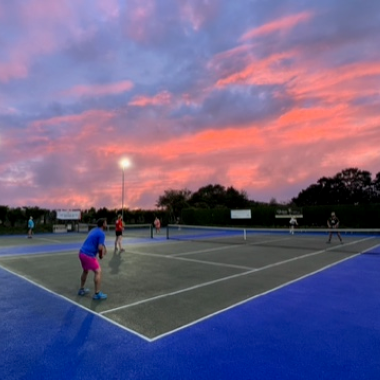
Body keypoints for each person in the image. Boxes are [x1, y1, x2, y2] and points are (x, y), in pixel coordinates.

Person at [78, 218, 108, 300]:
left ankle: (81, 289)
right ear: (103, 224)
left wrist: (104, 247)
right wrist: (101, 255)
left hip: (81, 253)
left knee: (85, 270)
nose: (106, 224)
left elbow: (96, 240)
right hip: (88, 255)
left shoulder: (93, 230)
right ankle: (97, 294)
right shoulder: (102, 234)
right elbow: (99, 247)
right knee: (98, 271)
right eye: (106, 223)